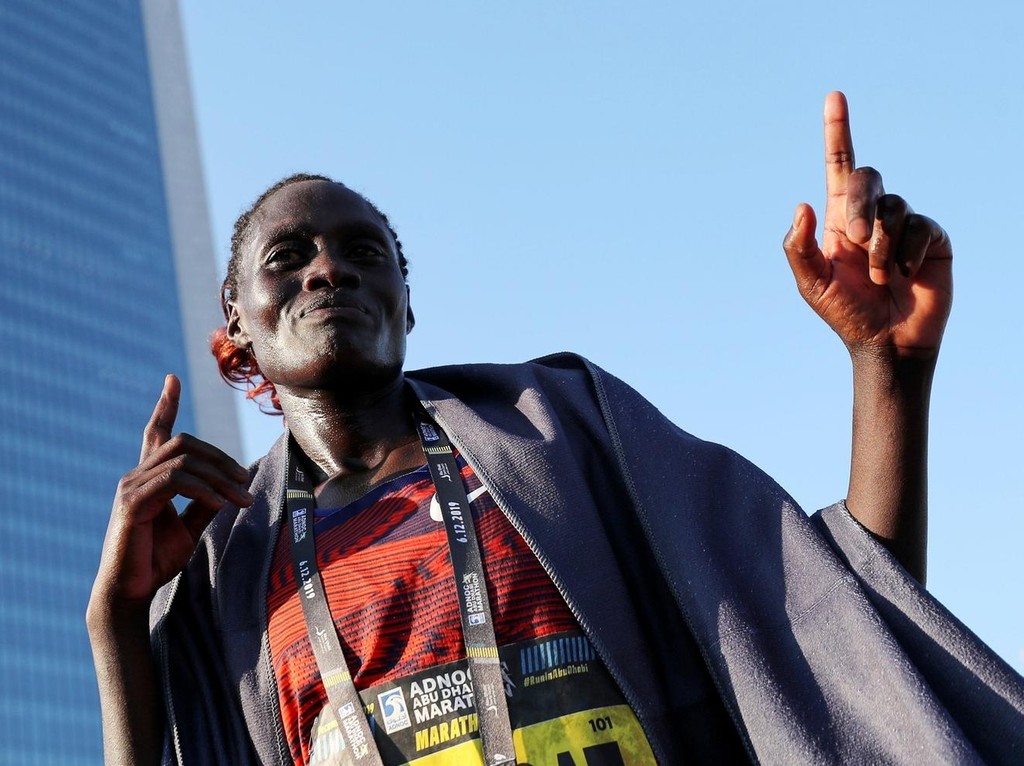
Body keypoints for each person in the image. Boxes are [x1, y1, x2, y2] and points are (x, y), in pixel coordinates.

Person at [87, 93, 1023, 765]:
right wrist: (119, 624)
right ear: (236, 328)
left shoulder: (570, 431)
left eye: (363, 252)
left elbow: (841, 639)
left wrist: (886, 368)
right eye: (289, 257)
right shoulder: (224, 565)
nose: (328, 270)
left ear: (408, 305)